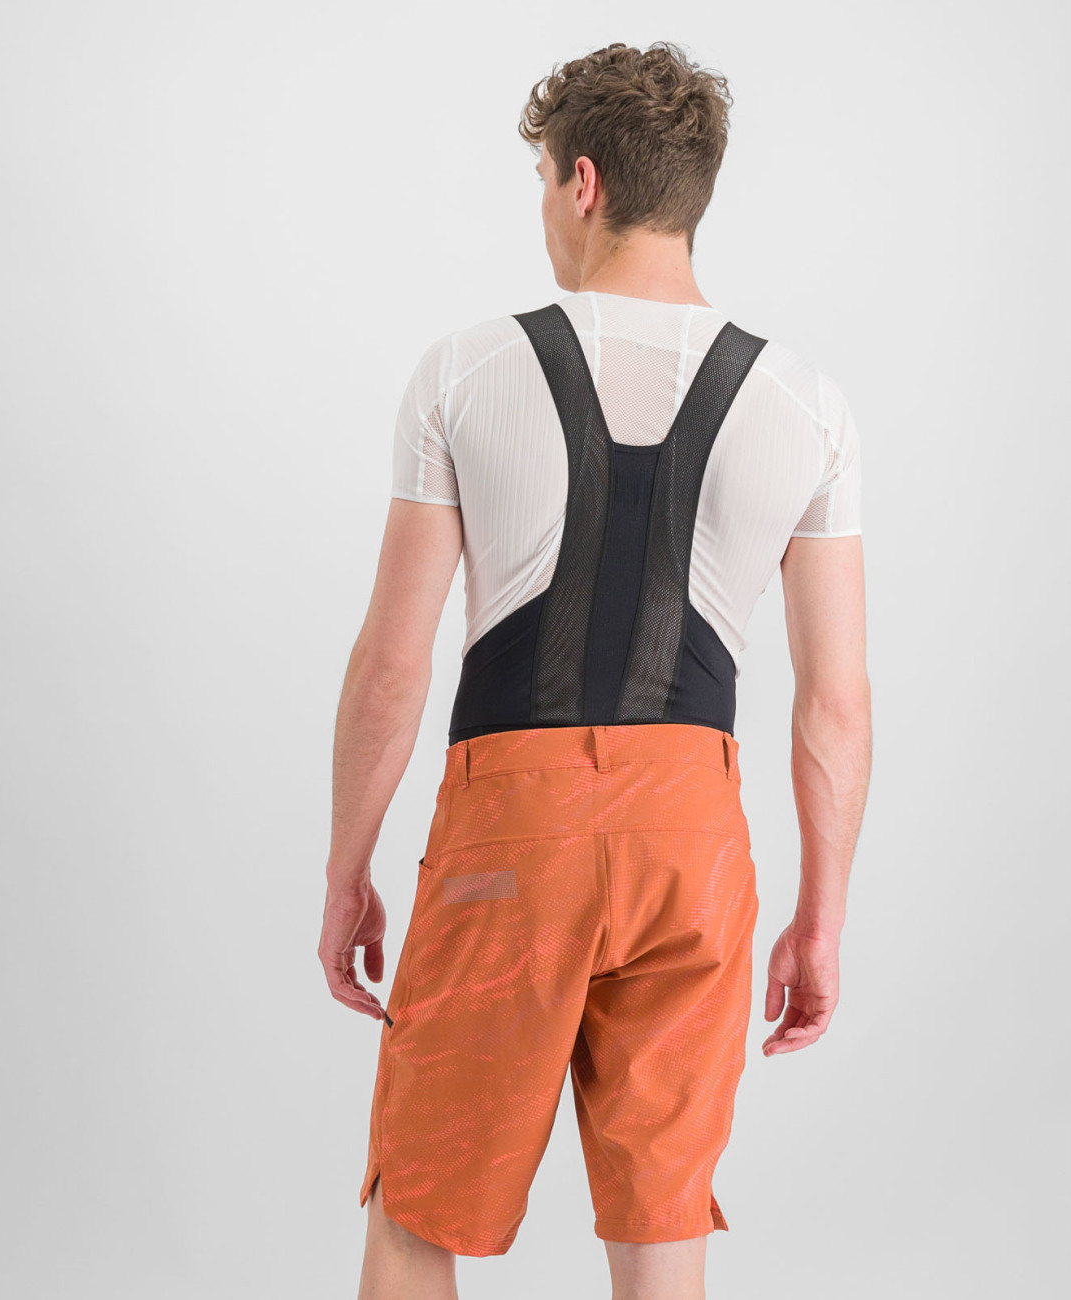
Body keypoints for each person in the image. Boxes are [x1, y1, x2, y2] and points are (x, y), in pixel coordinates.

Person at [318, 40, 872, 1300]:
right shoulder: (807, 404)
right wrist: (821, 916)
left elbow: (393, 663)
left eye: (540, 186)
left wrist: (348, 869)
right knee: (662, 1230)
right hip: (692, 844)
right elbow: (835, 705)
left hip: (511, 834)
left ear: (582, 182)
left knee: (418, 1214)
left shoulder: (464, 371)